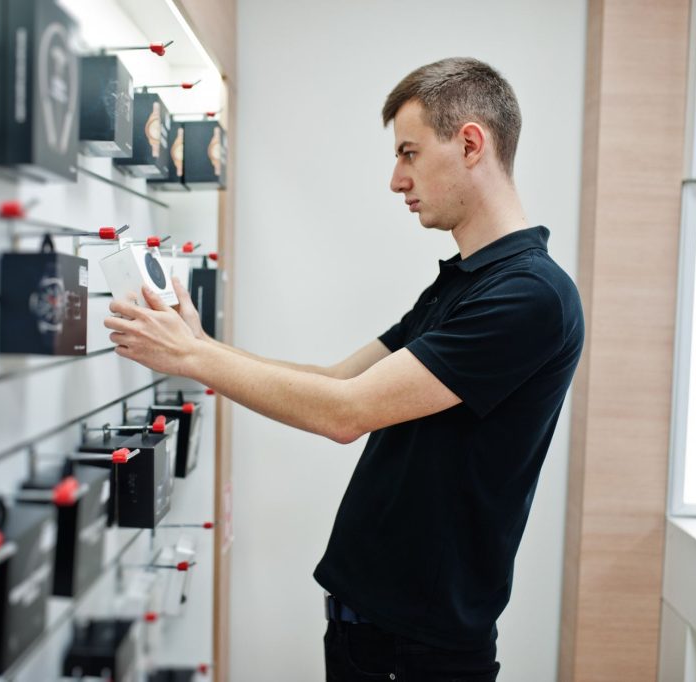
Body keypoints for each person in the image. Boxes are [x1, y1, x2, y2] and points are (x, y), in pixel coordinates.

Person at [105, 57, 584, 682]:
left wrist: (192, 357)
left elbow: (345, 414)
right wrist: (202, 344)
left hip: (418, 647)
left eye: (409, 153)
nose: (396, 179)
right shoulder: (470, 282)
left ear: (470, 143)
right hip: (375, 630)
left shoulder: (529, 297)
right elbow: (337, 380)